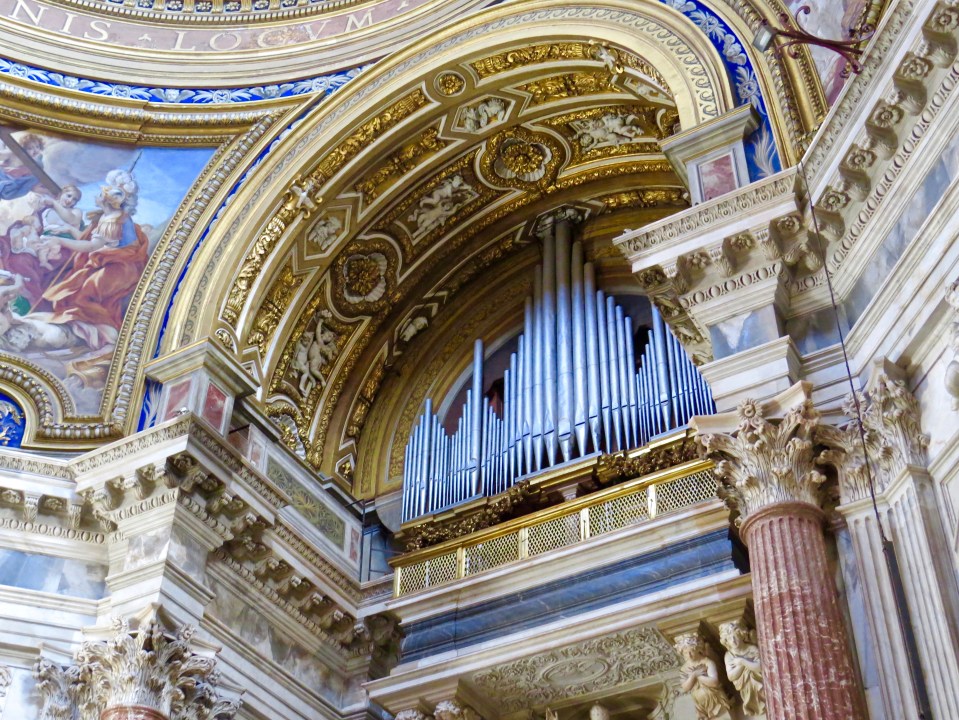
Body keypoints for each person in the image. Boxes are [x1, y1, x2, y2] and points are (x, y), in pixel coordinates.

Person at [40, 169, 148, 351]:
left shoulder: (113, 220)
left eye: (102, 193)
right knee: (73, 283)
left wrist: (60, 241)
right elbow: (89, 241)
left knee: (86, 292)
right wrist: (67, 231)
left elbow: (91, 247)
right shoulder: (106, 217)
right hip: (110, 261)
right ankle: (78, 326)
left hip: (122, 267)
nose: (99, 194)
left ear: (109, 201)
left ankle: (101, 332)